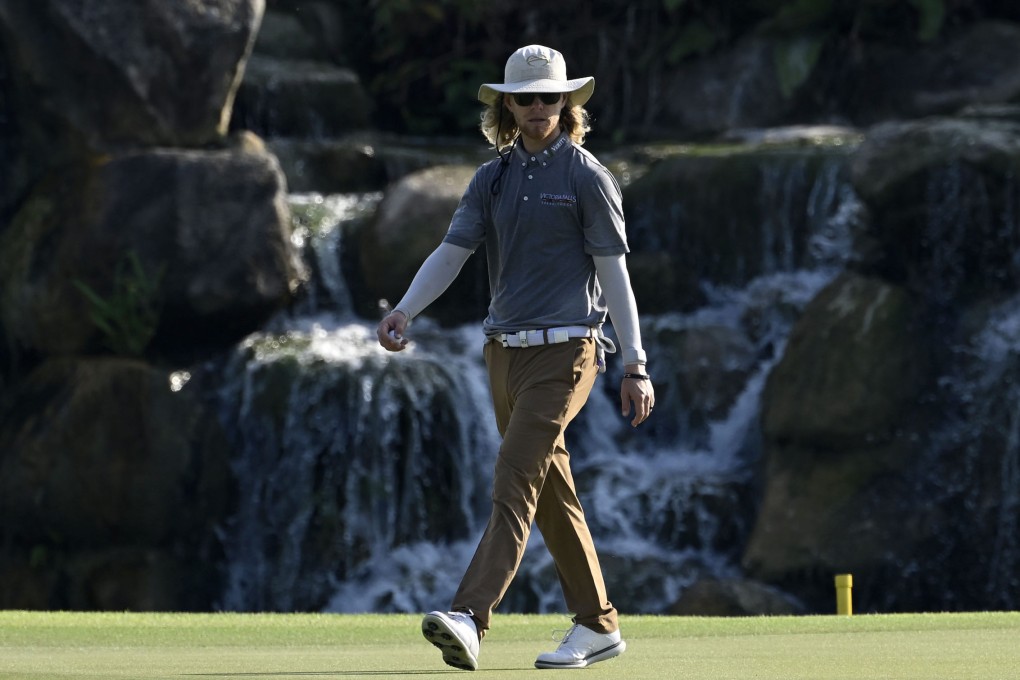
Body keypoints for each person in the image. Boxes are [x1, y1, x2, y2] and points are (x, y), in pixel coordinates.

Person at [376, 44, 654, 671]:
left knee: (513, 482)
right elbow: (452, 253)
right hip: (503, 355)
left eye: (549, 97)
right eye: (526, 98)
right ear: (507, 106)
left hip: (568, 353)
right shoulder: (492, 178)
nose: (538, 107)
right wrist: (405, 311)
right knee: (550, 492)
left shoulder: (587, 177)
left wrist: (635, 364)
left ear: (566, 103)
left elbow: (615, 276)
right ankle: (598, 625)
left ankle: (470, 615)